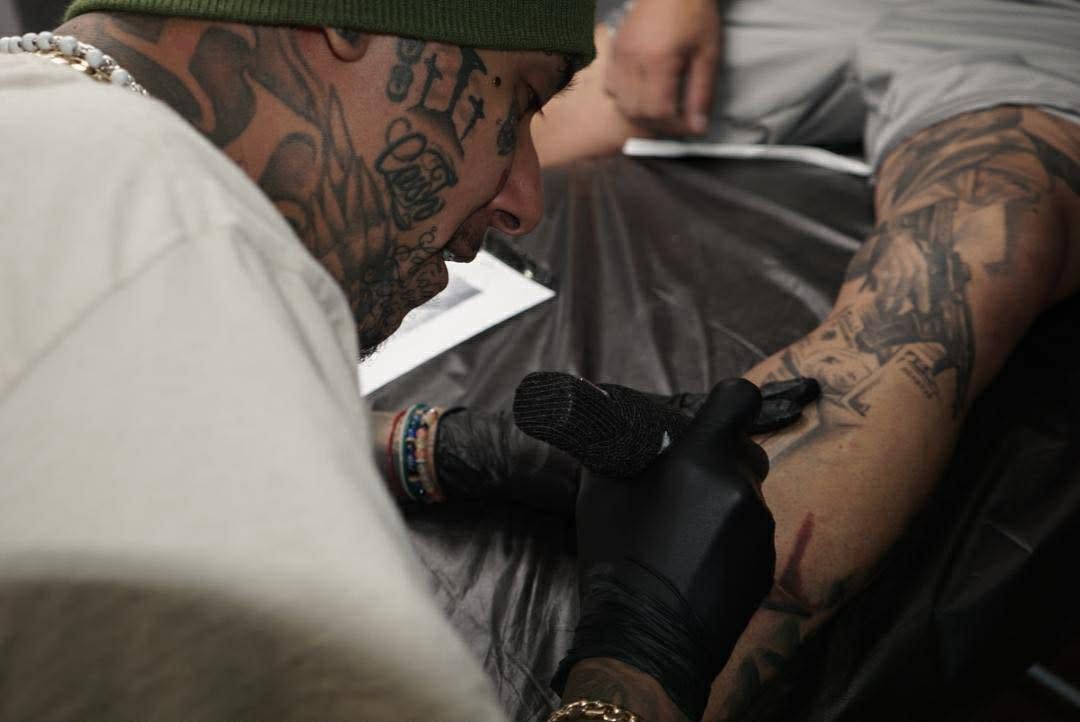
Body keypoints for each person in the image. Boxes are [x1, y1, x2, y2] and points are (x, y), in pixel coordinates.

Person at [0, 2, 783, 721]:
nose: (524, 200)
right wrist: (639, 661)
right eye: (519, 105)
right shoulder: (190, 245)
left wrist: (431, 445)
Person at [378, 1, 1080, 719]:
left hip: (1028, 25)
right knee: (423, 153)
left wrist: (638, 669)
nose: (518, 207)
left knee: (957, 273)